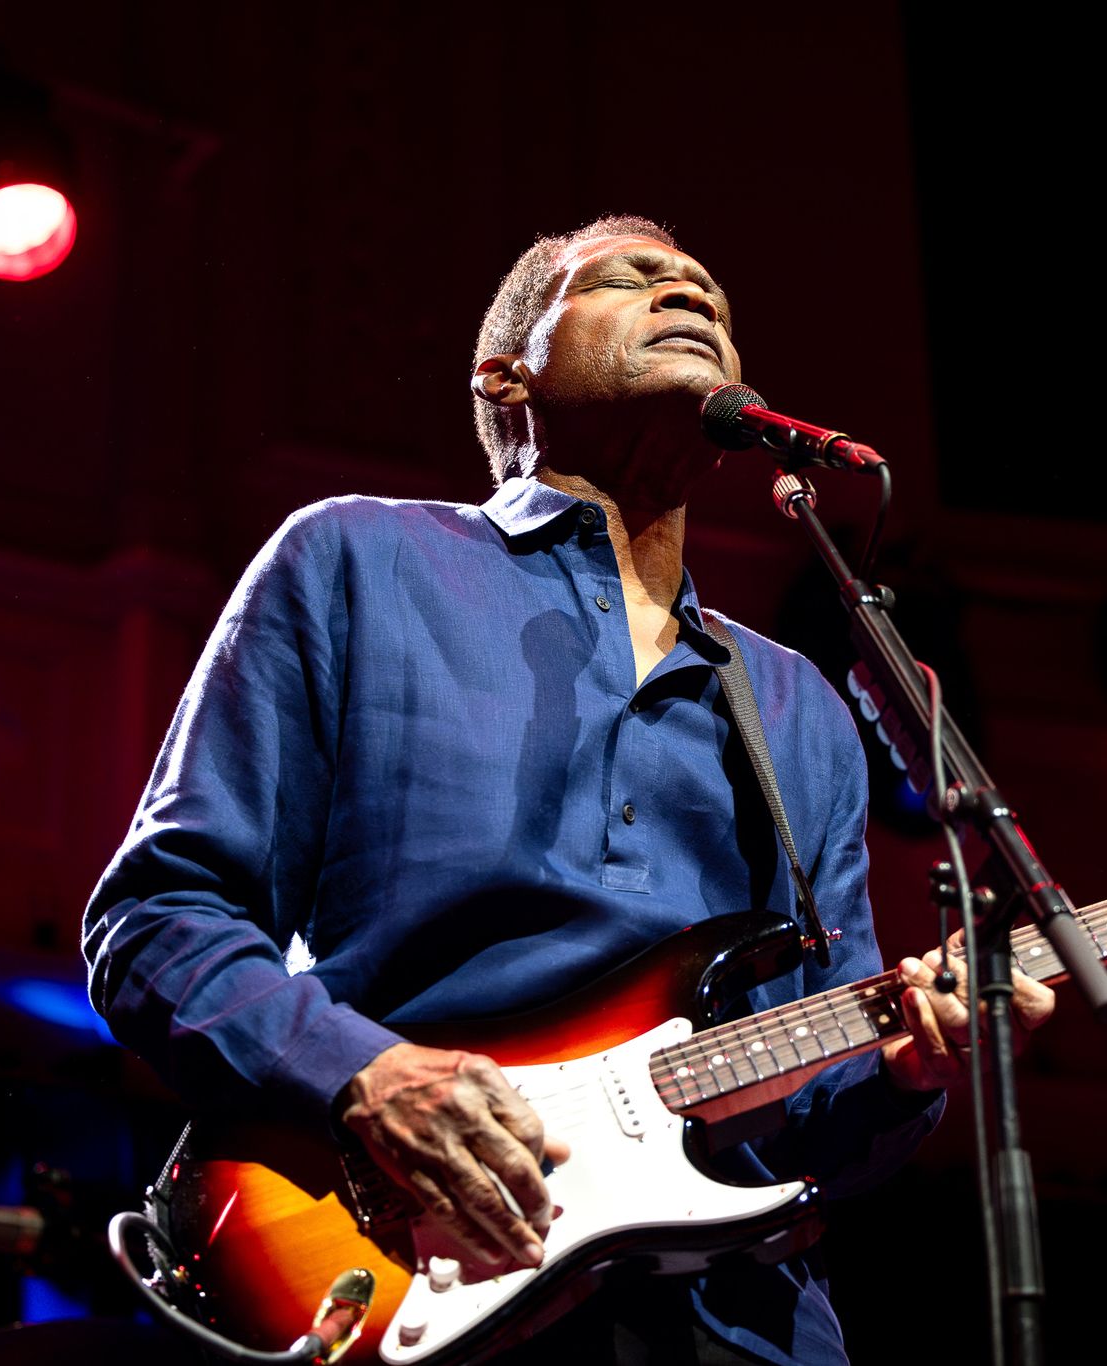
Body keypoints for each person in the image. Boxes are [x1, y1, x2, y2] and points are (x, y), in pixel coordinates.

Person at [84, 215, 1055, 1363]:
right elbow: (159, 921)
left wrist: (907, 1069)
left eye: (706, 293)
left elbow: (813, 1127)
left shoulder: (798, 708)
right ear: (508, 375)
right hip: (416, 1275)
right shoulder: (355, 561)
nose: (685, 290)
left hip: (735, 1325)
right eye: (627, 280)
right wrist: (363, 1078)